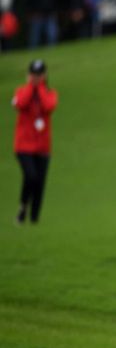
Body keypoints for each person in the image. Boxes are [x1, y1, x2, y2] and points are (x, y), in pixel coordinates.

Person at [12, 60, 58, 225]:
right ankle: (23, 207)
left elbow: (48, 106)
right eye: (34, 74)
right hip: (23, 145)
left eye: (39, 74)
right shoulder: (21, 91)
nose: (37, 77)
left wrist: (40, 88)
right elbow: (19, 103)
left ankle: (34, 218)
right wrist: (32, 87)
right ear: (29, 75)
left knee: (40, 182)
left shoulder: (50, 93)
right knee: (30, 176)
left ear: (44, 75)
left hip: (42, 147)